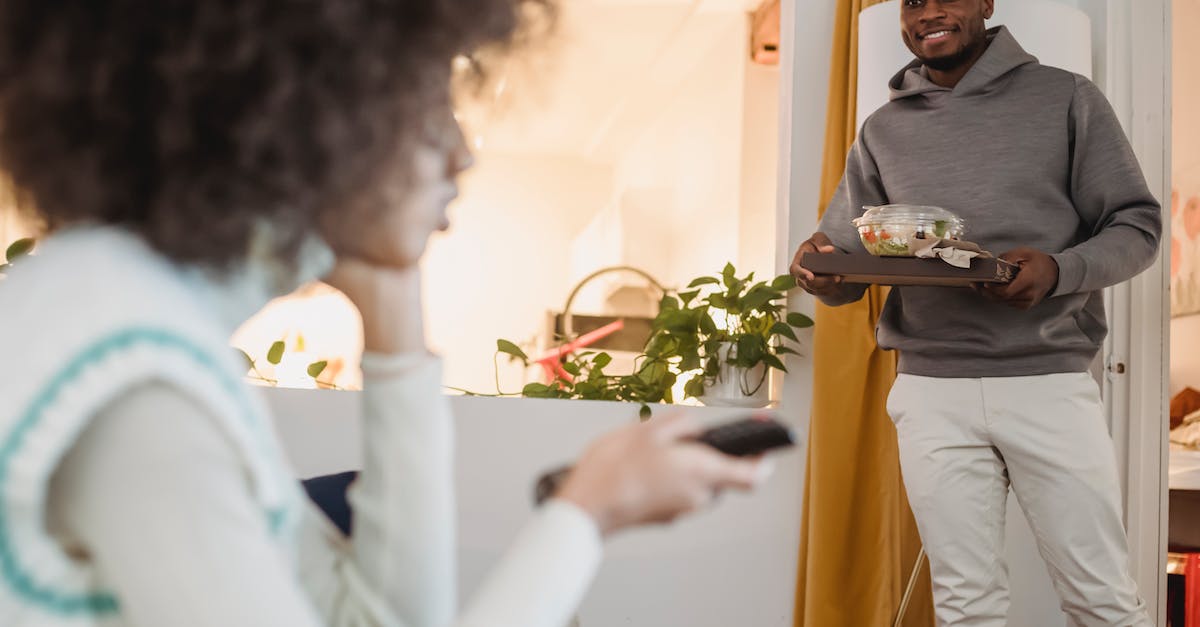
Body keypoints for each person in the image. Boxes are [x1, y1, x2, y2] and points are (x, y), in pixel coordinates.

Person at [0, 1, 770, 626]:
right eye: (428, 107)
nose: (461, 156)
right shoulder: (132, 372)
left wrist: (394, 314)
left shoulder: (142, 321)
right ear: (304, 112)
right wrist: (586, 513)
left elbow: (379, 619)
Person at [790, 0, 1161, 625]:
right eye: (911, 1)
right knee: (965, 605)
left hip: (1046, 382)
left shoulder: (1067, 97)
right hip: (931, 392)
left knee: (1102, 600)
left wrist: (1057, 270)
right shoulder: (883, 129)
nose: (927, 12)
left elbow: (1138, 226)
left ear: (985, 3)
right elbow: (846, 263)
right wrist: (816, 267)